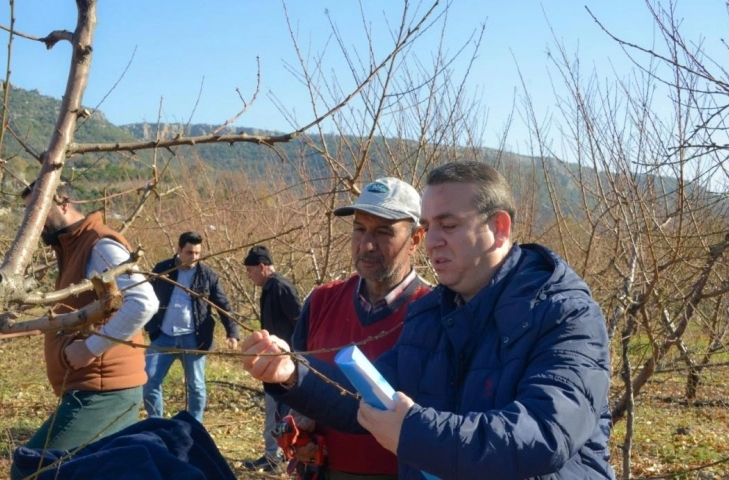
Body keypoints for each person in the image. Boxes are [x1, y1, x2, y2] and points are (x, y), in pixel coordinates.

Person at [241, 162, 615, 479]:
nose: (432, 240)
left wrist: (413, 432)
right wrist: (290, 373)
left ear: (499, 228)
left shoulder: (566, 314)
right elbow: (370, 395)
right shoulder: (433, 315)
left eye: (448, 226)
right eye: (429, 225)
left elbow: (544, 433)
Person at [256, 177, 432, 479]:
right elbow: (293, 386)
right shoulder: (322, 300)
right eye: (359, 228)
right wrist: (296, 422)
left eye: (384, 231)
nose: (366, 244)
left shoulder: (434, 312)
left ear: (416, 238)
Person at [13, 180, 159, 479]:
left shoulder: (98, 243)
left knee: (31, 470)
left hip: (103, 391)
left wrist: (88, 349)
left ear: (63, 203)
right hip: (96, 388)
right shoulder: (73, 247)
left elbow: (143, 302)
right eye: (28, 214)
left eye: (38, 211)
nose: (33, 223)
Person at [143, 231, 240, 422]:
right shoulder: (162, 270)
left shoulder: (208, 275)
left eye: (197, 253)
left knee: (196, 386)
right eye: (189, 252)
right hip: (163, 335)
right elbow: (145, 297)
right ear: (178, 249)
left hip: (194, 338)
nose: (193, 257)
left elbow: (223, 304)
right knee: (149, 380)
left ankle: (195, 425)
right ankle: (156, 422)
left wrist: (232, 332)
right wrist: (145, 324)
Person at [241, 245, 303, 473]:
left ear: (262, 266)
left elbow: (300, 322)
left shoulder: (280, 287)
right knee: (275, 408)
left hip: (284, 362)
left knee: (279, 410)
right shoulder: (269, 288)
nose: (248, 275)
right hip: (272, 359)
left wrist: (294, 358)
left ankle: (276, 458)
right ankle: (275, 456)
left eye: (250, 270)